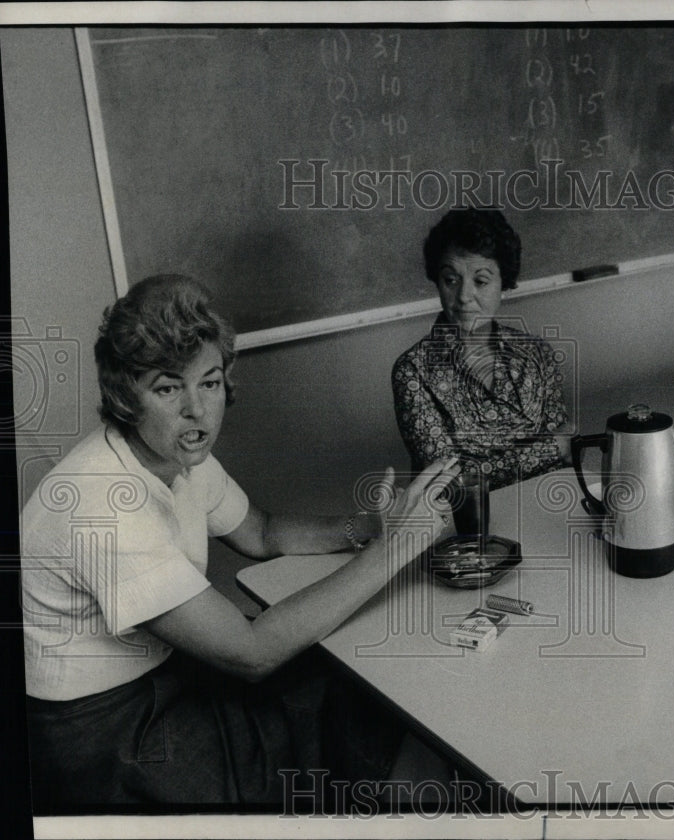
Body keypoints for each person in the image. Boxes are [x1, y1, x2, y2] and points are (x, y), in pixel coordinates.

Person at [20, 275, 459, 808]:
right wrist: (397, 549)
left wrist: (370, 527)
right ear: (124, 396)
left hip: (168, 676)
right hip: (109, 737)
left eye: (208, 383)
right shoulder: (102, 504)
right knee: (335, 709)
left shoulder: (176, 453)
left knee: (346, 683)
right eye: (166, 387)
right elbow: (252, 655)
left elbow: (262, 532)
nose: (197, 409)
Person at [391, 207, 572, 489]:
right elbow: (449, 482)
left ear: (505, 284)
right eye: (450, 280)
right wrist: (549, 449)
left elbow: (564, 457)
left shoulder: (538, 353)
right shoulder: (413, 370)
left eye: (481, 281)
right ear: (437, 281)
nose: (463, 297)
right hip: (464, 525)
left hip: (543, 506)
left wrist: (557, 448)